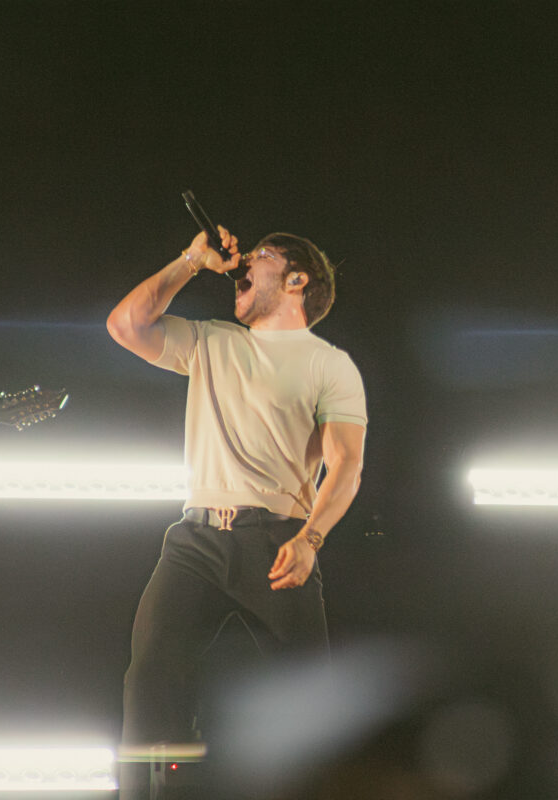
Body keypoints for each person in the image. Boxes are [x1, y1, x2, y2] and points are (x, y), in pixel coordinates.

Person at [106, 224, 367, 750]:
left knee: (309, 700)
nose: (245, 260)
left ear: (296, 280)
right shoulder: (212, 341)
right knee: (150, 679)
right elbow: (126, 324)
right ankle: (146, 787)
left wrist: (310, 539)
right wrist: (190, 261)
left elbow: (346, 465)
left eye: (262, 255)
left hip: (277, 540)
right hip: (196, 540)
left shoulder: (330, 365)